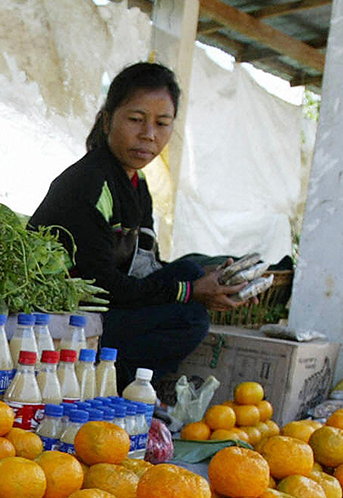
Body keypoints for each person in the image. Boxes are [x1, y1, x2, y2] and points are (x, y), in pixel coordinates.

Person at [28, 62, 246, 390]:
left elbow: (145, 266)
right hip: (71, 318)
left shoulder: (136, 182)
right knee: (190, 318)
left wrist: (213, 280)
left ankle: (132, 380)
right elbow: (102, 287)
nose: (148, 134)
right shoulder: (88, 183)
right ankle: (120, 385)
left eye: (162, 123)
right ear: (106, 120)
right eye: (135, 119)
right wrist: (189, 293)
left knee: (190, 269)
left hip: (109, 302)